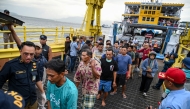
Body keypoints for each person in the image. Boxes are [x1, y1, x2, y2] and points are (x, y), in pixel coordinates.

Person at [0, 25, 46, 109]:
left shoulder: (35, 64)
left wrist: (43, 92)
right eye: (26, 54)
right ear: (20, 51)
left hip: (32, 101)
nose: (29, 57)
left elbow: (37, 79)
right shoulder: (10, 65)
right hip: (17, 103)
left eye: (31, 54)